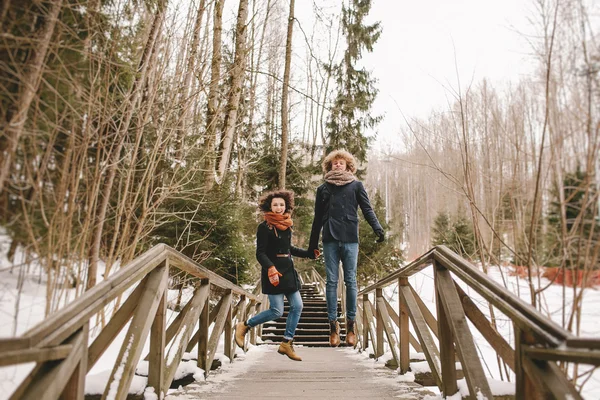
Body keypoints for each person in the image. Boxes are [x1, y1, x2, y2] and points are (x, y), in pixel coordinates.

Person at [308, 149, 384, 348]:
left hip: (350, 238)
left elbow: (367, 209)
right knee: (331, 282)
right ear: (329, 166)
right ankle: (333, 326)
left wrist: (377, 228)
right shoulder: (323, 189)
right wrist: (312, 245)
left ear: (349, 166)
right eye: (334, 163)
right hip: (330, 238)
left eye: (341, 162)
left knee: (350, 280)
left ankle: (350, 325)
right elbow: (317, 218)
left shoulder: (356, 186)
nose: (338, 165)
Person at [235, 189, 315, 361]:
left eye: (281, 205)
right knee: (277, 311)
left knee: (298, 306)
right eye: (275, 205)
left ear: (286, 207)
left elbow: (289, 249)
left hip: (288, 270)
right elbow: (260, 253)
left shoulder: (287, 225)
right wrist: (270, 268)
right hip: (274, 272)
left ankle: (286, 342)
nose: (279, 208)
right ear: (269, 206)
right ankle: (244, 325)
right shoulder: (264, 227)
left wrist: (309, 253)